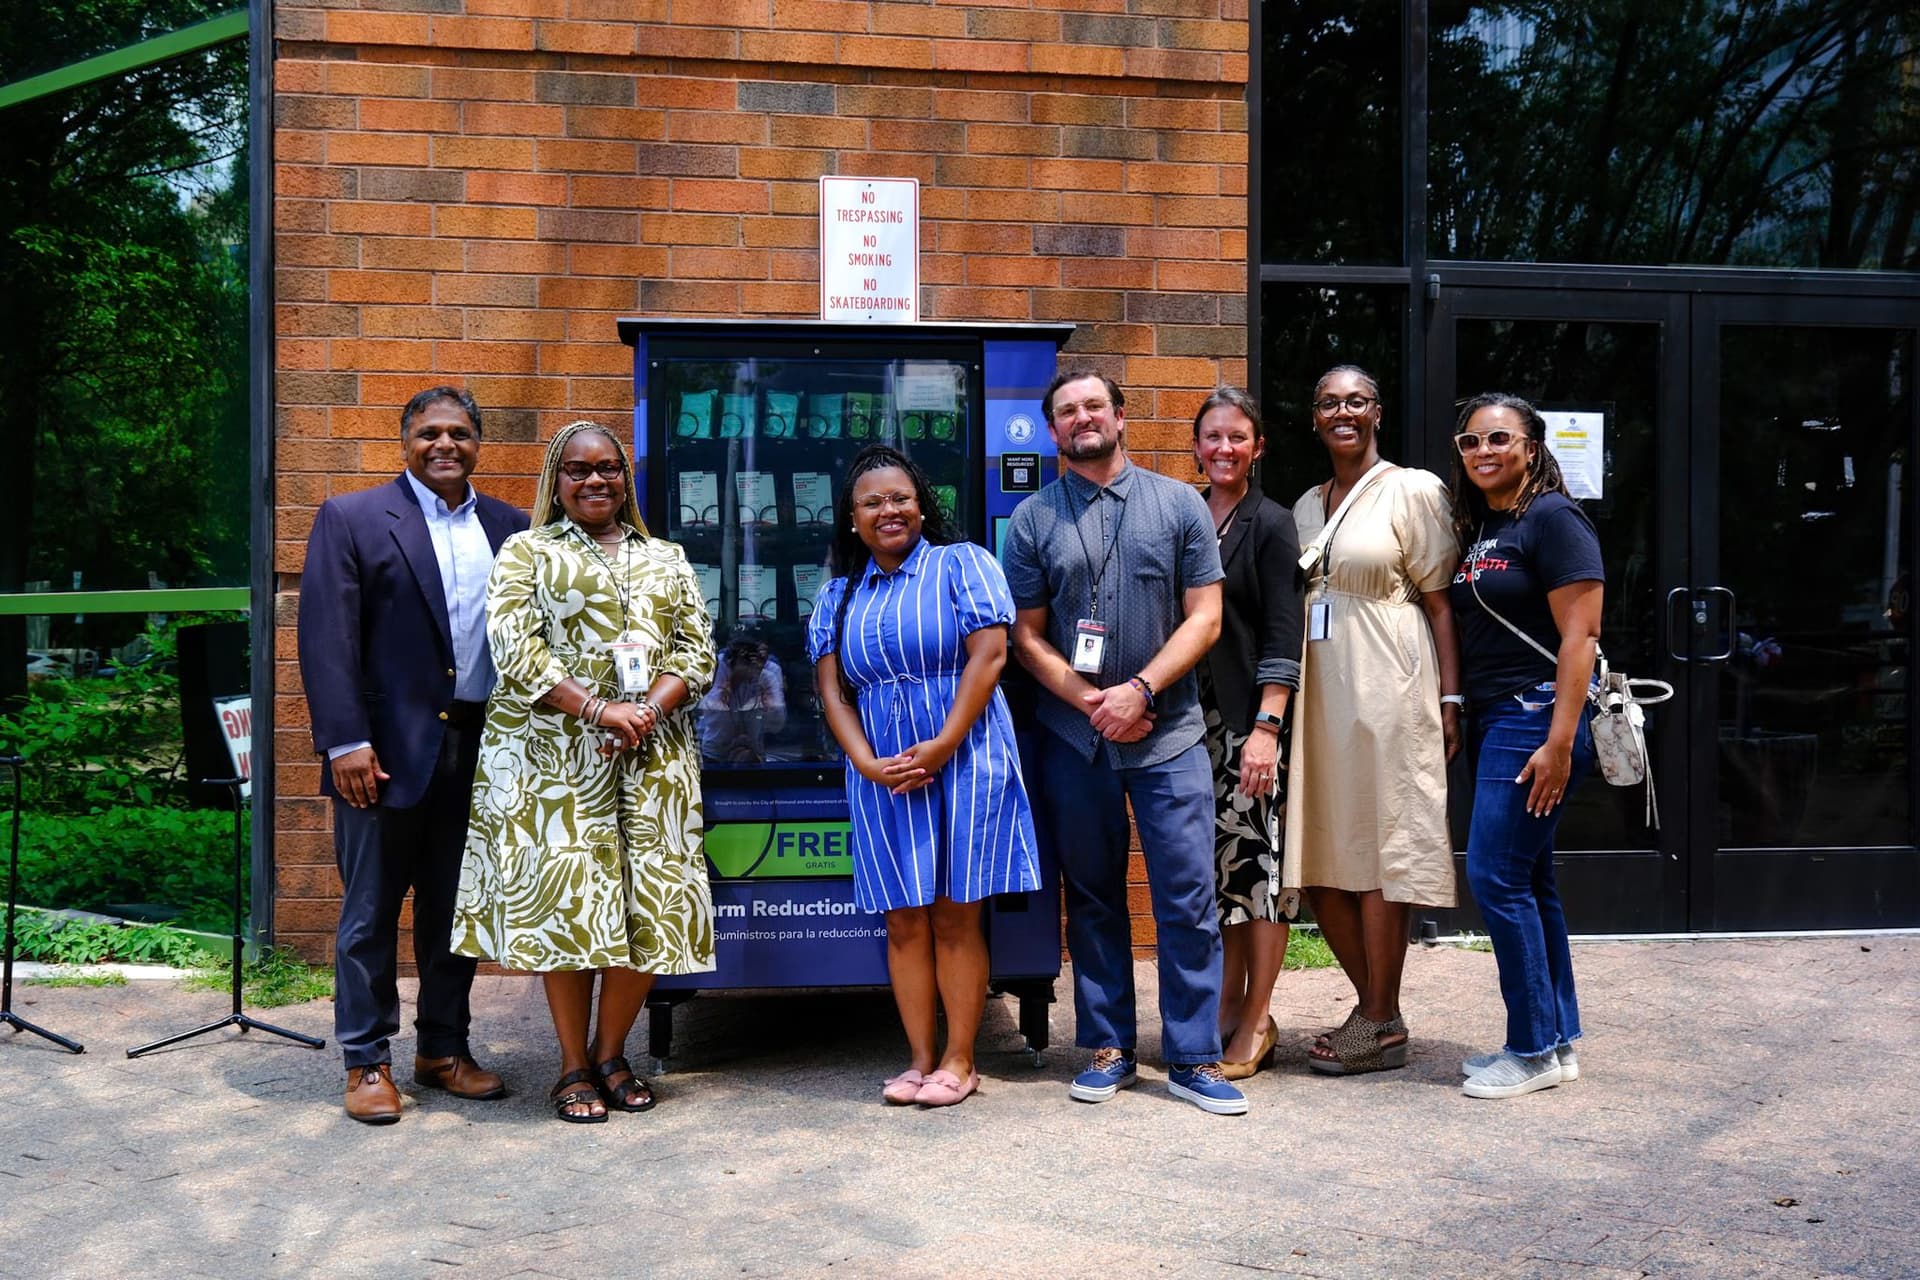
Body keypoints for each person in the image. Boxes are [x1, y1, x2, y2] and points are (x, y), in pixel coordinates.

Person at [450, 421, 717, 1124]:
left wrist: (645, 712)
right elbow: (516, 650)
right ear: (556, 479)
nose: (595, 480)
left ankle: (611, 1054)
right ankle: (571, 1066)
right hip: (554, 762)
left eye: (608, 468)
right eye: (578, 469)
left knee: (650, 905)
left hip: (653, 760)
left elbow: (696, 651)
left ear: (625, 477)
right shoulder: (527, 552)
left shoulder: (667, 558)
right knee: (570, 907)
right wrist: (600, 710)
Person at [1003, 370, 1246, 1116]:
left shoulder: (1179, 505)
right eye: (1067, 411)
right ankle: (1109, 1046)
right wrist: (1092, 703)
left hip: (1169, 735)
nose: (1082, 419)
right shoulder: (1032, 520)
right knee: (1092, 896)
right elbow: (1025, 635)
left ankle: (1193, 1056)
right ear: (1053, 430)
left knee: (1188, 896)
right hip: (1074, 740)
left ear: (1119, 416)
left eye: (1093, 406)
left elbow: (1205, 617)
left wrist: (1139, 691)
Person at [297, 385, 528, 1125]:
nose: (444, 445)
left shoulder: (512, 528)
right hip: (382, 754)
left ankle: (443, 1050)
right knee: (370, 912)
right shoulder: (353, 518)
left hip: (480, 750)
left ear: (478, 443)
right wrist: (346, 741)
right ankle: (366, 1060)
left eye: (459, 433)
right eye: (429, 433)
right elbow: (327, 637)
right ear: (405, 442)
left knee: (454, 911)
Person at [808, 444, 1040, 1107]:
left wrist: (941, 745)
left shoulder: (962, 564)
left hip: (962, 757)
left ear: (921, 505)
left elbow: (989, 657)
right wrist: (864, 762)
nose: (889, 511)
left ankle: (960, 1061)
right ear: (852, 519)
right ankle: (918, 1059)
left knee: (955, 916)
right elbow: (834, 693)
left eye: (900, 498)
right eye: (872, 502)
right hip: (882, 770)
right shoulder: (837, 597)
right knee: (904, 919)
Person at [1283, 364, 1462, 1076]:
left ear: (1377, 412)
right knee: (1322, 855)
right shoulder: (1305, 504)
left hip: (1391, 685)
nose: (1343, 412)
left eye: (1356, 401)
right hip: (1320, 694)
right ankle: (1377, 1011)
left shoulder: (1413, 489)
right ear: (1314, 418)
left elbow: (1442, 604)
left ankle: (1379, 1019)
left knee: (1384, 849)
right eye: (1329, 402)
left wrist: (1450, 699)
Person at [1447, 393, 1603, 1099]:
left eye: (1498, 439)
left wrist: (1560, 741)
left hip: (1533, 716)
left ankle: (1531, 1050)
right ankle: (1556, 1039)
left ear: (1531, 447)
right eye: (1471, 441)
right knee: (1530, 880)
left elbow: (1582, 636)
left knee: (1496, 877)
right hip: (1496, 717)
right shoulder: (1488, 525)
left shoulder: (1553, 518)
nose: (1483, 451)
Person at [1191, 388, 1305, 1080]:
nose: (1224, 448)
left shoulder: (1272, 522)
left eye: (1238, 437)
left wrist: (1266, 728)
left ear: (1257, 448)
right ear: (1196, 446)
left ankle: (1257, 1018)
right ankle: (1228, 1006)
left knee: (1260, 875)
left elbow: (1283, 634)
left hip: (1247, 725)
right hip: (1190, 726)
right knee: (1221, 877)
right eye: (1213, 436)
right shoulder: (1186, 513)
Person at [697, 630, 788, 763]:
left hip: (753, 750)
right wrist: (733, 682)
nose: (753, 666)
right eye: (746, 659)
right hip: (716, 748)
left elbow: (778, 724)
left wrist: (766, 699)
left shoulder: (768, 675)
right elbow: (712, 713)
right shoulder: (719, 667)